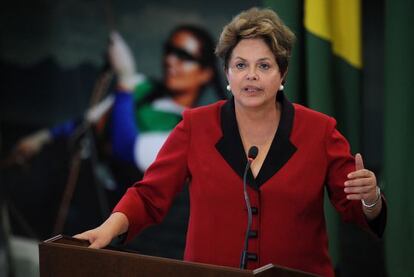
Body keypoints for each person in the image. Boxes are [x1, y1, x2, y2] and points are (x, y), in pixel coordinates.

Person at [74, 7, 386, 277]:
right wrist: (109, 228)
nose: (251, 75)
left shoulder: (320, 131)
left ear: (282, 74)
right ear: (227, 72)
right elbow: (149, 196)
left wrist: (371, 198)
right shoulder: (195, 126)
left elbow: (356, 210)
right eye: (241, 65)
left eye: (264, 65)